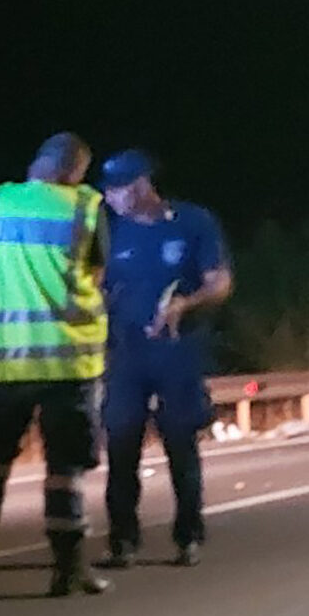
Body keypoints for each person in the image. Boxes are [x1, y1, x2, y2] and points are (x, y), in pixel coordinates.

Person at [0, 132, 111, 598]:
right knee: (65, 469)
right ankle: (68, 570)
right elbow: (95, 278)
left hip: (1, 363)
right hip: (67, 363)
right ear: (75, 171)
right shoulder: (85, 208)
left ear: (37, 163)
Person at [92, 149, 234, 568]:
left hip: (177, 352)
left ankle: (188, 536)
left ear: (141, 186)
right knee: (121, 446)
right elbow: (95, 286)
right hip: (125, 355)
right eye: (107, 191)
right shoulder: (108, 232)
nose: (110, 197)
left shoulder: (194, 222)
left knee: (180, 443)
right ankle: (122, 541)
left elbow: (220, 282)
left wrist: (186, 304)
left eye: (117, 189)